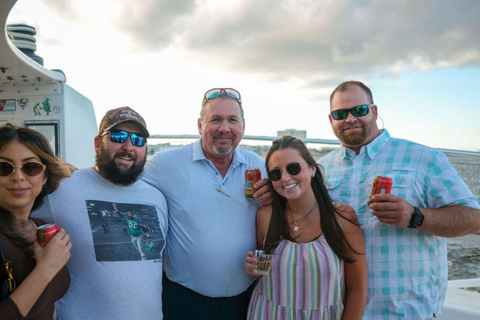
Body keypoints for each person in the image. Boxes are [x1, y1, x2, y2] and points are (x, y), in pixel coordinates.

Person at [318, 80, 480, 319]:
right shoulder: (321, 168)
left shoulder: (424, 158)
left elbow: (473, 218)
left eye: (359, 110)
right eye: (340, 113)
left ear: (374, 111)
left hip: (405, 311)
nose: (350, 119)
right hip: (340, 308)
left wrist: (415, 216)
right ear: (331, 120)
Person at [142, 88, 272, 320]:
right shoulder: (166, 163)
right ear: (200, 125)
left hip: (243, 301)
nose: (225, 128)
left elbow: (293, 198)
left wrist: (275, 194)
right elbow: (123, 182)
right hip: (184, 301)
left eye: (233, 120)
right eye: (215, 120)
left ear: (243, 126)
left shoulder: (258, 165)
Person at [32, 107, 168, 319]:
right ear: (97, 143)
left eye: (138, 140)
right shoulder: (61, 189)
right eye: (118, 136)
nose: (128, 146)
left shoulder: (157, 198)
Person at [244, 135, 367, 319]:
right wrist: (254, 271)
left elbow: (357, 290)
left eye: (293, 168)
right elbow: (265, 272)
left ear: (312, 169)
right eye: (276, 173)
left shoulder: (342, 218)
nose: (285, 178)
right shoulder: (265, 216)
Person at [0, 124, 71, 319]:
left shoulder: (41, 227)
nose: (18, 176)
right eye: (4, 167)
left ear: (45, 176)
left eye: (31, 167)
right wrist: (45, 270)